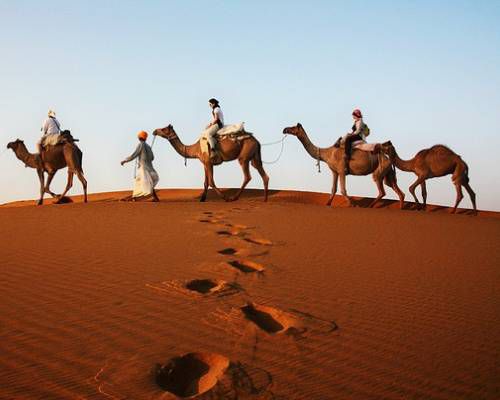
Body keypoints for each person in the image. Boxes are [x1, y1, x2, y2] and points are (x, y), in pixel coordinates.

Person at [121, 131, 159, 202]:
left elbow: (134, 155)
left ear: (139, 137)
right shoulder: (148, 147)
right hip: (151, 169)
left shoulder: (140, 145)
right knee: (146, 182)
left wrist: (125, 160)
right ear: (145, 138)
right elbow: (152, 158)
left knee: (140, 183)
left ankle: (136, 198)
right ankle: (153, 198)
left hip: (143, 169)